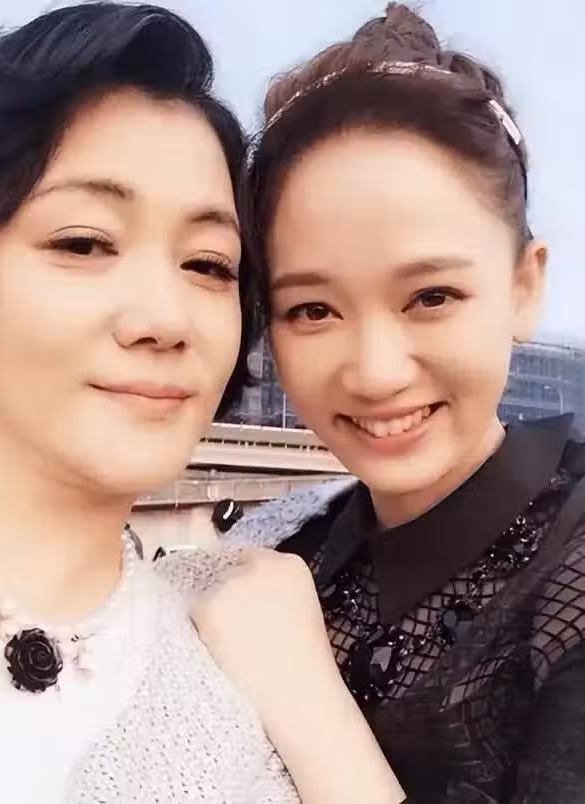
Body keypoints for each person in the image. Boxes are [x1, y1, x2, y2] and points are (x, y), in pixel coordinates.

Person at [0, 4, 406, 803]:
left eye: (208, 265)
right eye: (83, 243)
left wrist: (326, 736)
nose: (166, 320)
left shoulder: (247, 664)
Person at [225, 3, 585, 802]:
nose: (376, 373)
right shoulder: (281, 548)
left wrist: (305, 701)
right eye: (313, 309)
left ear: (524, 286)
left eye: (431, 296)